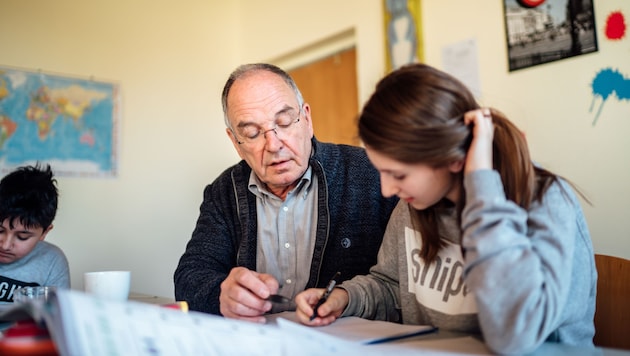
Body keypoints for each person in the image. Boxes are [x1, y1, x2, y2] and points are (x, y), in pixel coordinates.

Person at [294, 63, 597, 354]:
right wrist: (345, 298)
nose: (387, 190)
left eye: (399, 175)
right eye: (381, 171)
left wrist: (482, 190)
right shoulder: (414, 205)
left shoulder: (547, 201)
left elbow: (514, 336)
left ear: (453, 159)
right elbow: (392, 286)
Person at [173, 63, 398, 323]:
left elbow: (400, 284)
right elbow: (189, 276)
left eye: (284, 121)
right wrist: (220, 294)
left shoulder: (370, 174)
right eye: (252, 133)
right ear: (236, 142)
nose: (274, 144)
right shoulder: (224, 192)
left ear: (307, 120)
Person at [0, 164, 70, 303]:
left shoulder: (52, 262)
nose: (6, 245)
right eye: (0, 230)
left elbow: (57, 317)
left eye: (22, 237)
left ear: (45, 232)